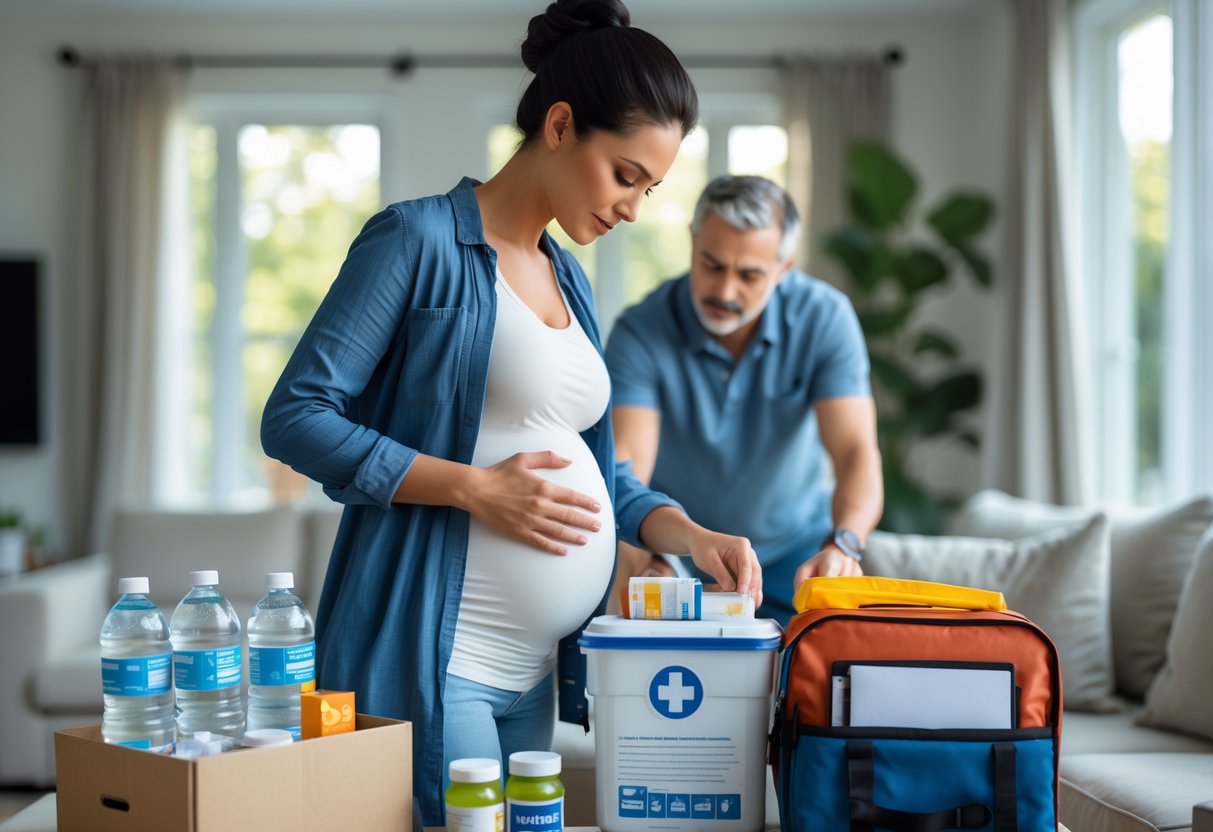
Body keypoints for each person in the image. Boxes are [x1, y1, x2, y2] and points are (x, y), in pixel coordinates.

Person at [260, 1, 762, 824]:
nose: (635, 207)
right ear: (560, 125)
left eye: (651, 187)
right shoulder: (414, 241)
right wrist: (471, 489)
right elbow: (294, 416)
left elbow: (596, 474)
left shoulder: (571, 281)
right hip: (436, 657)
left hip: (535, 671)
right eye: (626, 175)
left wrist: (688, 534)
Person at [605, 174, 883, 624]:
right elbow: (625, 471)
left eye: (750, 274)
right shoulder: (640, 331)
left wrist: (844, 545)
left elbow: (855, 453)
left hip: (797, 559)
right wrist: (647, 560)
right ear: (693, 243)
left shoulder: (825, 318)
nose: (725, 291)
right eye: (711, 264)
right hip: (679, 560)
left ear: (784, 267)